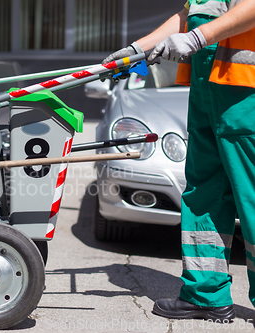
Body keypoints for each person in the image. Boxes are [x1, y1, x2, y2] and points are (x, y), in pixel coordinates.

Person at [104, 0, 255, 321]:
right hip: (209, 87)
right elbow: (190, 13)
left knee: (252, 197)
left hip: (245, 92)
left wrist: (197, 38)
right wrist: (137, 49)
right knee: (204, 194)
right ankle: (205, 294)